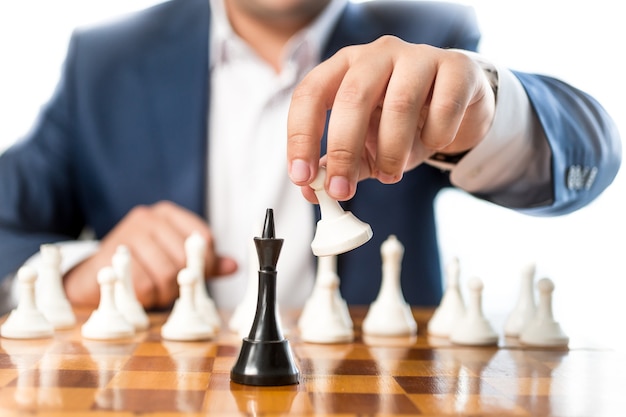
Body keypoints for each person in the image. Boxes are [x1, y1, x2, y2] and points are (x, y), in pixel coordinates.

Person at [0, 0, 621, 315]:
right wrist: (79, 274)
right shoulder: (105, 61)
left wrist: (487, 106)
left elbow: (587, 153)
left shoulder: (430, 33)